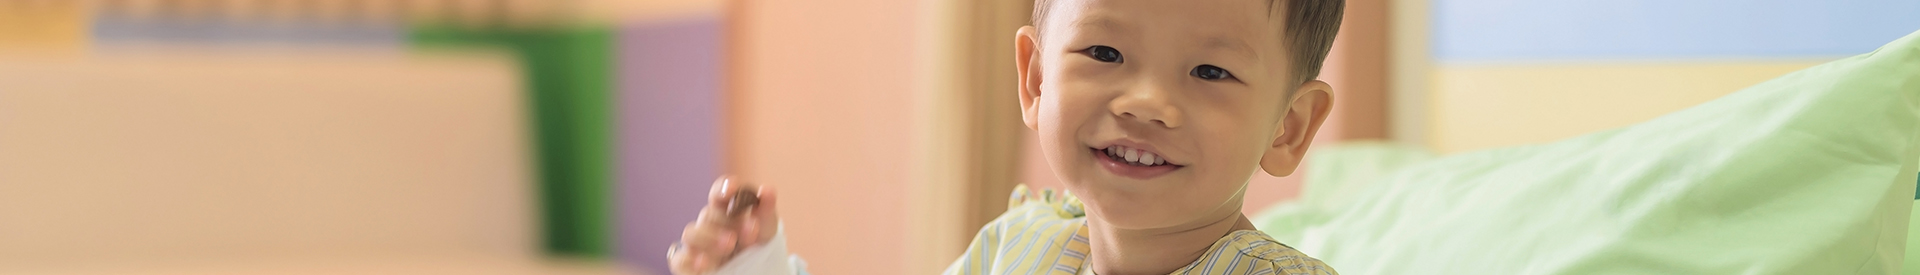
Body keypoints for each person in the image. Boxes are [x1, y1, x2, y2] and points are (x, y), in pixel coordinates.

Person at [671, 0, 1346, 273]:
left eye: (1209, 70)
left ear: (1287, 127)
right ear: (1035, 78)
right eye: (1105, 53)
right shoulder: (1015, 247)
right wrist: (749, 263)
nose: (1146, 103)